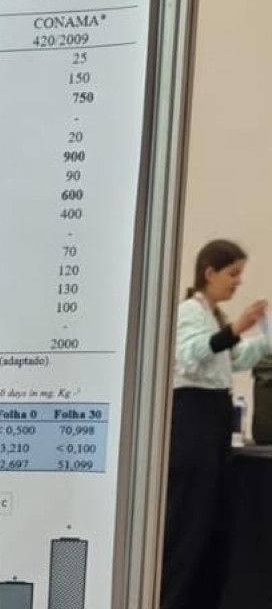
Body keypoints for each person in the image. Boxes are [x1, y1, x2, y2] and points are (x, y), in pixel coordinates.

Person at [161, 239, 270, 609]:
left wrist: (263, 339)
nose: (238, 282)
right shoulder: (189, 312)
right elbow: (191, 354)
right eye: (233, 274)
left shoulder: (213, 316)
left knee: (208, 519)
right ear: (210, 272)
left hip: (213, 420)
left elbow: (233, 359)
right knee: (189, 521)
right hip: (193, 419)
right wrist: (237, 327)